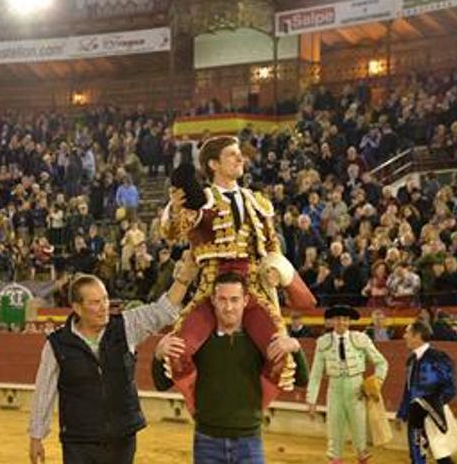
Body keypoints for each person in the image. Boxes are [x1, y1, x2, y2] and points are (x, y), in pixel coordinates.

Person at [161, 135, 315, 411]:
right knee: (177, 351)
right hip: (211, 286)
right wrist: (176, 206)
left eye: (238, 154)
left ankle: (255, 411)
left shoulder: (257, 201)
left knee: (281, 355)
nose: (240, 158)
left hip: (252, 287)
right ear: (213, 164)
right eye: (232, 154)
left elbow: (271, 245)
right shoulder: (200, 199)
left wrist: (275, 270)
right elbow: (173, 231)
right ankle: (201, 409)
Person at [27, 252, 200, 464]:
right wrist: (36, 437)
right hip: (79, 442)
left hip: (122, 438)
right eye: (95, 303)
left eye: (105, 299)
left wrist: (184, 278)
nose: (104, 307)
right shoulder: (57, 344)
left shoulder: (126, 325)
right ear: (77, 308)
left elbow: (162, 311)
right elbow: (44, 391)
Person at [150, 271, 305, 464]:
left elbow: (302, 380)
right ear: (213, 300)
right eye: (222, 299)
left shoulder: (259, 342)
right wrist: (158, 354)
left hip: (249, 441)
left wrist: (296, 348)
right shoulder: (199, 342)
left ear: (246, 300)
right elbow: (161, 384)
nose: (229, 307)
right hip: (207, 442)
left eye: (234, 299)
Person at [306, 305, 388, 464]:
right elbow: (316, 373)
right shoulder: (323, 342)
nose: (341, 322)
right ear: (332, 321)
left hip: (356, 387)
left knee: (359, 428)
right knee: (334, 428)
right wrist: (311, 399)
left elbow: (381, 363)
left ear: (349, 321)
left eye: (344, 319)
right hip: (334, 388)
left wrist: (376, 382)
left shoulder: (360, 339)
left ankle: (362, 456)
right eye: (337, 319)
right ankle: (335, 459)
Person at [397, 320, 457, 464]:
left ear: (417, 335)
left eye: (407, 333)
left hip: (432, 413)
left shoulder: (438, 357)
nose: (404, 336)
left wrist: (432, 404)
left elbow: (450, 387)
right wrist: (403, 412)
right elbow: (408, 389)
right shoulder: (411, 359)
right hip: (414, 416)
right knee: (416, 454)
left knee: (441, 454)